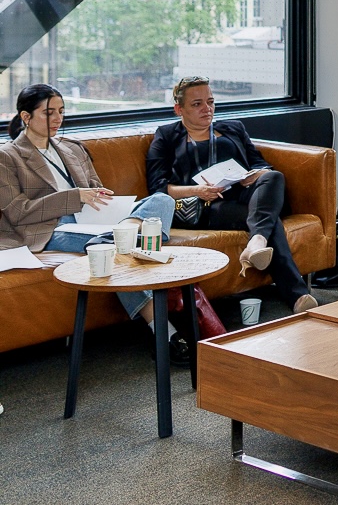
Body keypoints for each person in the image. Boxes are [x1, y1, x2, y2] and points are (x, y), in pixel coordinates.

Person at [0, 84, 186, 358]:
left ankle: (126, 233)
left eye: (61, 112)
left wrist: (102, 198)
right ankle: (165, 332)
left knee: (162, 201)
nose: (57, 119)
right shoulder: (8, 156)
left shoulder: (72, 148)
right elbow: (17, 211)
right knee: (114, 250)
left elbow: (96, 191)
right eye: (48, 113)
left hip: (96, 221)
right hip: (50, 229)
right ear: (26, 117)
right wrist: (74, 197)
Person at [147, 77, 317, 313]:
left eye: (210, 101)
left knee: (274, 177)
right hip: (203, 206)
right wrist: (198, 190)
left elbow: (260, 163)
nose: (207, 109)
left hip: (244, 193)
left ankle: (257, 241)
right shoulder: (166, 136)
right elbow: (158, 188)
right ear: (179, 109)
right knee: (266, 219)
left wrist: (253, 174)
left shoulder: (233, 128)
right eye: (197, 104)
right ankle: (297, 294)